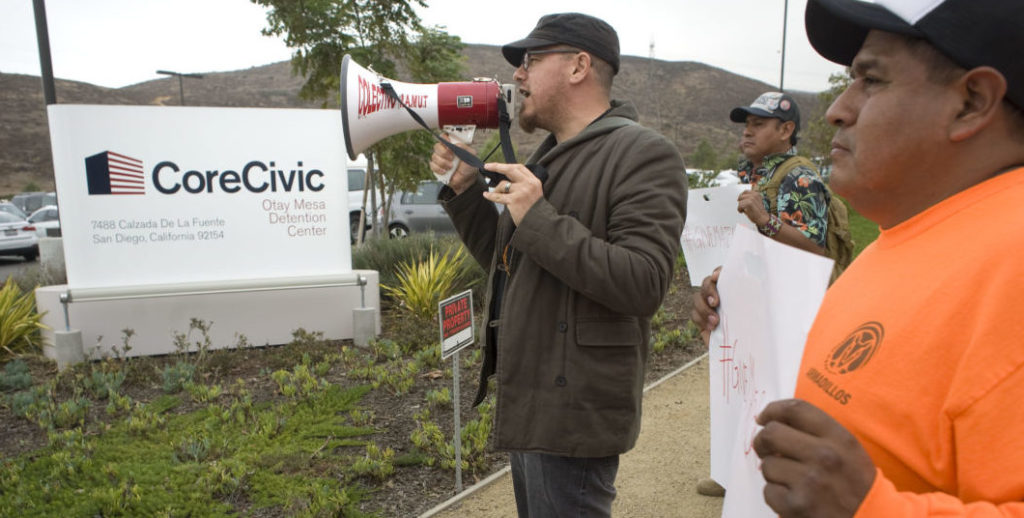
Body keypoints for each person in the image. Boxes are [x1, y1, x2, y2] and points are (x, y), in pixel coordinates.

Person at [692, 0, 1024, 515]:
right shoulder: (913, 232)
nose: (836, 109)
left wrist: (866, 507)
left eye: (872, 80)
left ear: (972, 102)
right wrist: (739, 310)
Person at [428, 12, 687, 518]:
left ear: (578, 67)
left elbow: (646, 282)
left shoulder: (644, 154)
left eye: (531, 61)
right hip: (535, 399)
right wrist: (463, 188)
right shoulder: (553, 156)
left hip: (575, 412)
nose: (517, 76)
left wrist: (538, 216)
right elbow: (512, 267)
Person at [731, 92, 830, 257]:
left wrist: (765, 221)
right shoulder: (752, 174)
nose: (747, 132)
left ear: (785, 130)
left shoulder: (799, 176)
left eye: (758, 124)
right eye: (747, 125)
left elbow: (815, 248)